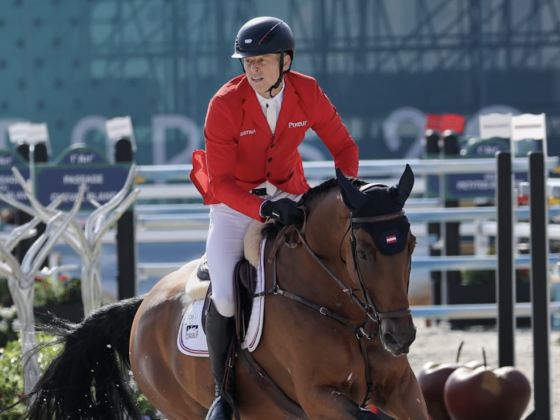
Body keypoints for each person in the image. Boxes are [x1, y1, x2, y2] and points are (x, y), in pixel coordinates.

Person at [189, 16, 359, 420]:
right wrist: (262, 208)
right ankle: (222, 393)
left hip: (290, 190)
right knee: (227, 294)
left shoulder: (307, 91)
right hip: (235, 203)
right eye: (246, 60)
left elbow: (344, 147)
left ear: (286, 61)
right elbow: (222, 182)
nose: (252, 67)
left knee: (337, 261)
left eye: (262, 59)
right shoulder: (224, 104)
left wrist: (346, 192)